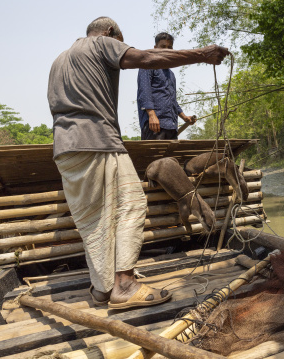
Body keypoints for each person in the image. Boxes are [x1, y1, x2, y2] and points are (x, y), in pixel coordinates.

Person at [48, 16, 228, 309]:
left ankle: (102, 288)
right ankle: (125, 284)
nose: (120, 48)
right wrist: (202, 55)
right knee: (132, 204)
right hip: (99, 142)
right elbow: (145, 58)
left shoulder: (59, 61)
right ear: (110, 33)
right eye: (120, 41)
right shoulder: (100, 43)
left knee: (93, 219)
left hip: (65, 149)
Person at [137, 32, 195, 140]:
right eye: (163, 46)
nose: (166, 49)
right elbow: (144, 92)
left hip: (171, 125)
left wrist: (184, 117)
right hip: (155, 125)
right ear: (155, 48)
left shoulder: (171, 74)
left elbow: (172, 100)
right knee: (155, 157)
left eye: (169, 47)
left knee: (172, 157)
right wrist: (152, 115)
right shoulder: (147, 66)